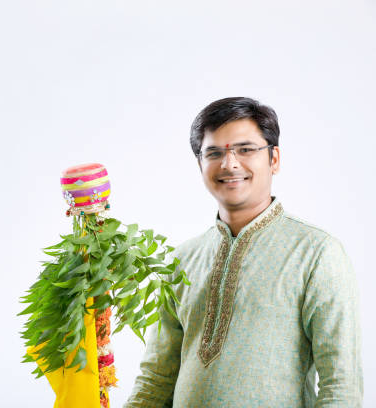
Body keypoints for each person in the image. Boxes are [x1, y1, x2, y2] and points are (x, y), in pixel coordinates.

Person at [124, 97, 363, 407]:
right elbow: (156, 380)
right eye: (214, 153)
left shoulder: (317, 253)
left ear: (274, 159)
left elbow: (341, 385)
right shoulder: (181, 260)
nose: (230, 163)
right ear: (200, 164)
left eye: (246, 149)